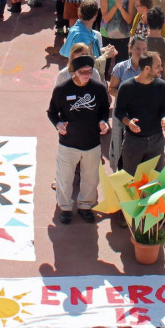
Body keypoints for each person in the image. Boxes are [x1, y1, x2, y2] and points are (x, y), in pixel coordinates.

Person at [47, 55, 111, 225]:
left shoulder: (98, 88)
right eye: (83, 72)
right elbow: (52, 112)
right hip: (68, 143)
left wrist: (103, 121)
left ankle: (85, 206)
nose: (86, 75)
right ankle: (66, 208)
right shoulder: (62, 89)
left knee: (90, 178)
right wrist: (58, 124)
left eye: (89, 72)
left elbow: (104, 109)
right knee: (65, 178)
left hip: (92, 143)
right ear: (74, 72)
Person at [116, 52, 165, 175]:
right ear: (147, 68)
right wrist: (128, 122)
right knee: (130, 180)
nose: (161, 69)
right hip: (133, 142)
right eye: (158, 66)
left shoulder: (161, 86)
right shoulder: (126, 87)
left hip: (156, 141)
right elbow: (119, 111)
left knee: (154, 181)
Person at [108, 35, 147, 170]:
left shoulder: (149, 70)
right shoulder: (120, 68)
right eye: (137, 48)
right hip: (122, 113)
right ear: (130, 49)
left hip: (141, 115)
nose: (141, 52)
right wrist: (125, 95)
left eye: (144, 49)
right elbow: (111, 88)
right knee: (119, 146)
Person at [100, 0, 136, 64]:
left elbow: (129, 20)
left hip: (123, 35)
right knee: (105, 65)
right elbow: (106, 18)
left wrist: (120, 8)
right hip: (107, 33)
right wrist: (116, 6)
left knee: (121, 64)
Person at [145, 7, 165, 84]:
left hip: (141, 85)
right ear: (164, 24)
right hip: (161, 85)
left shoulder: (138, 43)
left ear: (147, 22)